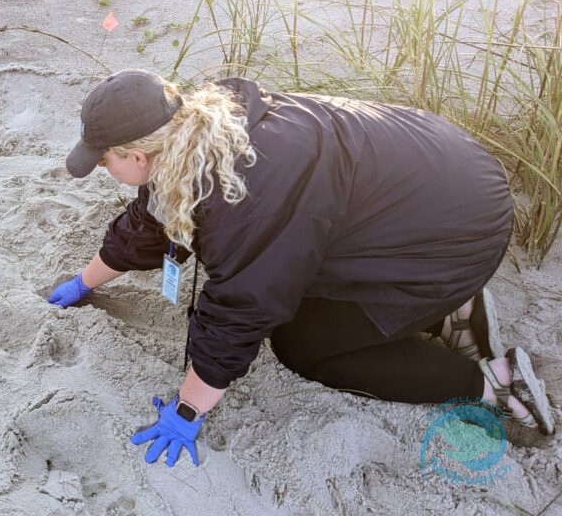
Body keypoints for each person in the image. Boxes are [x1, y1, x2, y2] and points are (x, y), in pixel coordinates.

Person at [47, 69, 556, 468]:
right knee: (299, 273)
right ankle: (452, 314)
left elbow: (241, 308)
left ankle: (493, 383)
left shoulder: (246, 198)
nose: (101, 169)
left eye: (103, 160)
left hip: (456, 236)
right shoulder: (202, 126)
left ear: (137, 154)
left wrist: (187, 410)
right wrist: (83, 283)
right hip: (444, 183)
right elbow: (149, 222)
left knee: (301, 345)